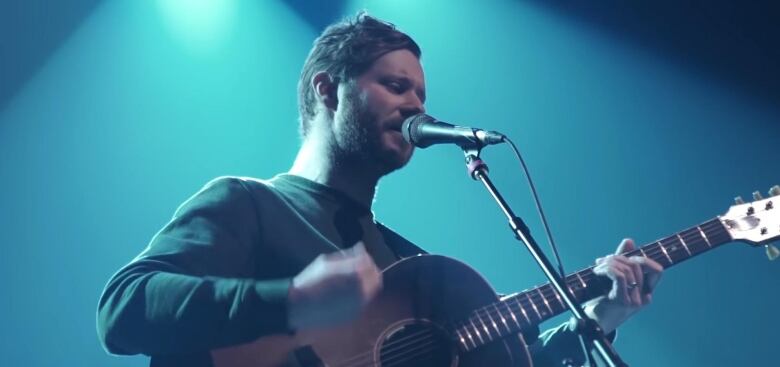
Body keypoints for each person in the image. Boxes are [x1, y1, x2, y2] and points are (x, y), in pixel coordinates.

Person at [97, 13, 663, 367]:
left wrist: (597, 318)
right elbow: (123, 308)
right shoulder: (249, 203)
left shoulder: (409, 264)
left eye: (420, 93)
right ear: (329, 90)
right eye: (396, 86)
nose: (417, 106)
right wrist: (291, 301)